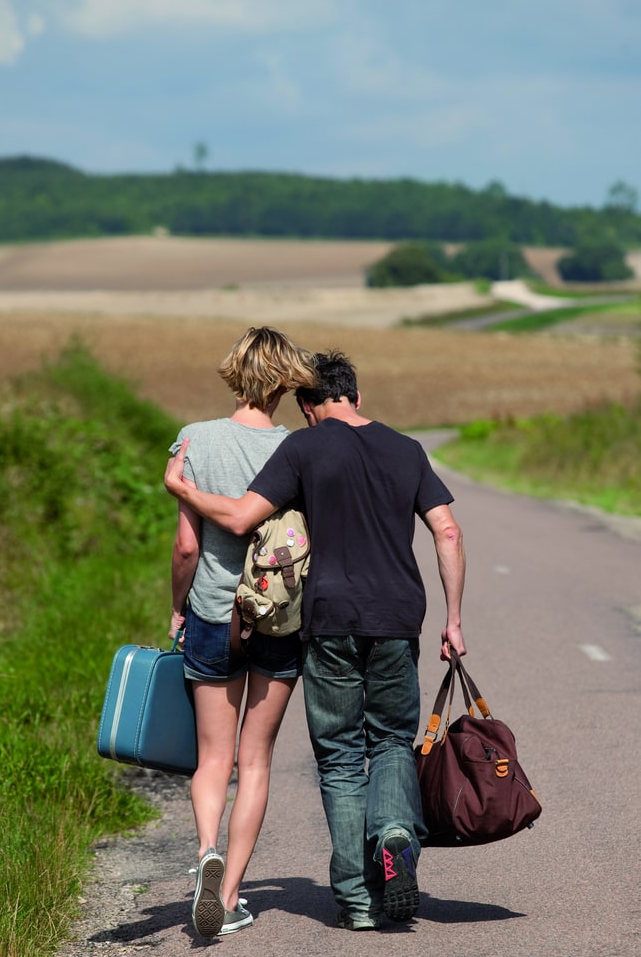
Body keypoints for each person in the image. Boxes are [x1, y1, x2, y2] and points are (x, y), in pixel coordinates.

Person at [164, 349, 466, 932]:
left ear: (308, 406)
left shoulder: (303, 446)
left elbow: (237, 518)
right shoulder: (407, 449)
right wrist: (453, 620)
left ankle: (356, 900)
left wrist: (181, 486)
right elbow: (447, 530)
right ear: (358, 396)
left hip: (327, 620)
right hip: (399, 618)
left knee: (341, 758)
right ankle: (398, 831)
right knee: (392, 742)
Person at [167, 326, 317, 938]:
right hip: (278, 616)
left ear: (235, 375)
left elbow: (185, 546)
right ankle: (229, 898)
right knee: (255, 760)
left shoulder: (195, 439)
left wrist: (178, 606)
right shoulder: (301, 449)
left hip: (209, 612)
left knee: (213, 758)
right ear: (286, 382)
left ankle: (207, 852)